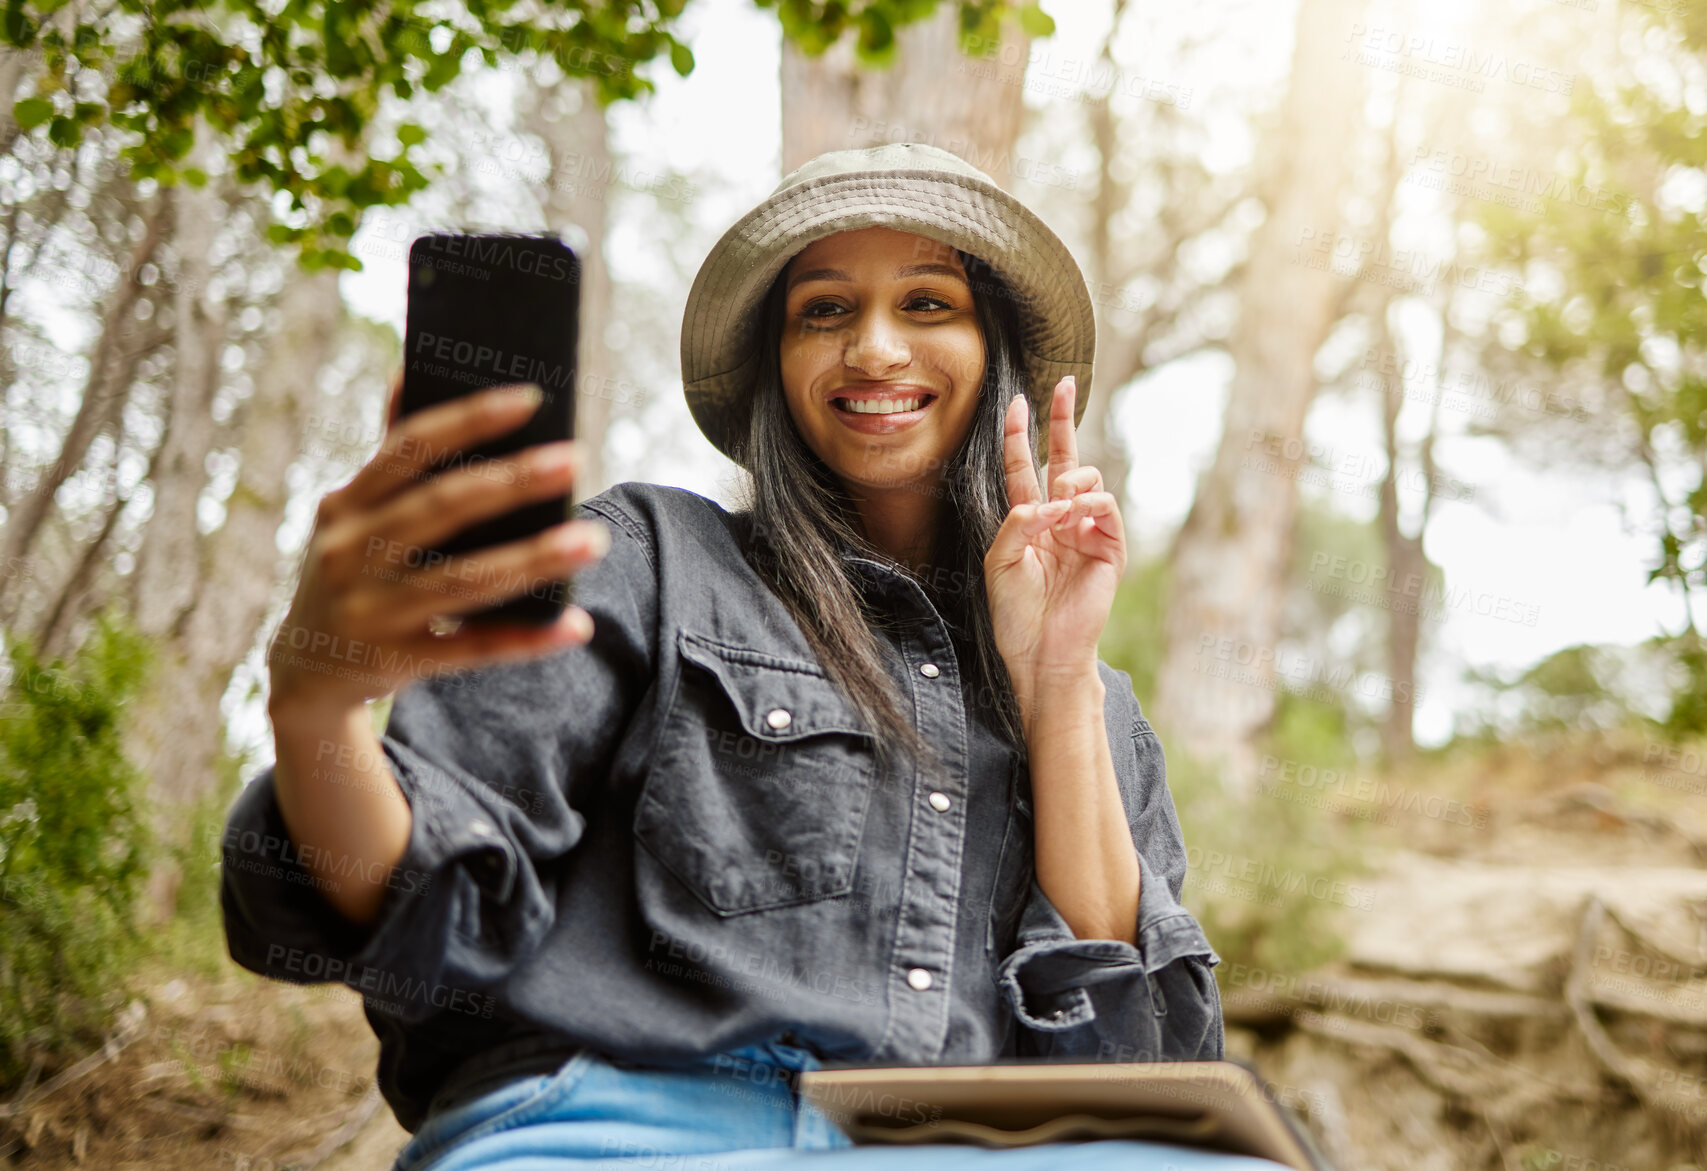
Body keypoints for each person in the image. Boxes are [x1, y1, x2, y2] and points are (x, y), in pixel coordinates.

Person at [219, 142, 1282, 1169]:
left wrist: (1056, 681)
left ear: (992, 349)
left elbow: (1139, 1064)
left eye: (926, 303)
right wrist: (317, 714)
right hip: (614, 1123)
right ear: (778, 363)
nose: (873, 347)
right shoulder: (645, 556)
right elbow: (410, 896)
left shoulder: (1101, 709)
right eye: (824, 309)